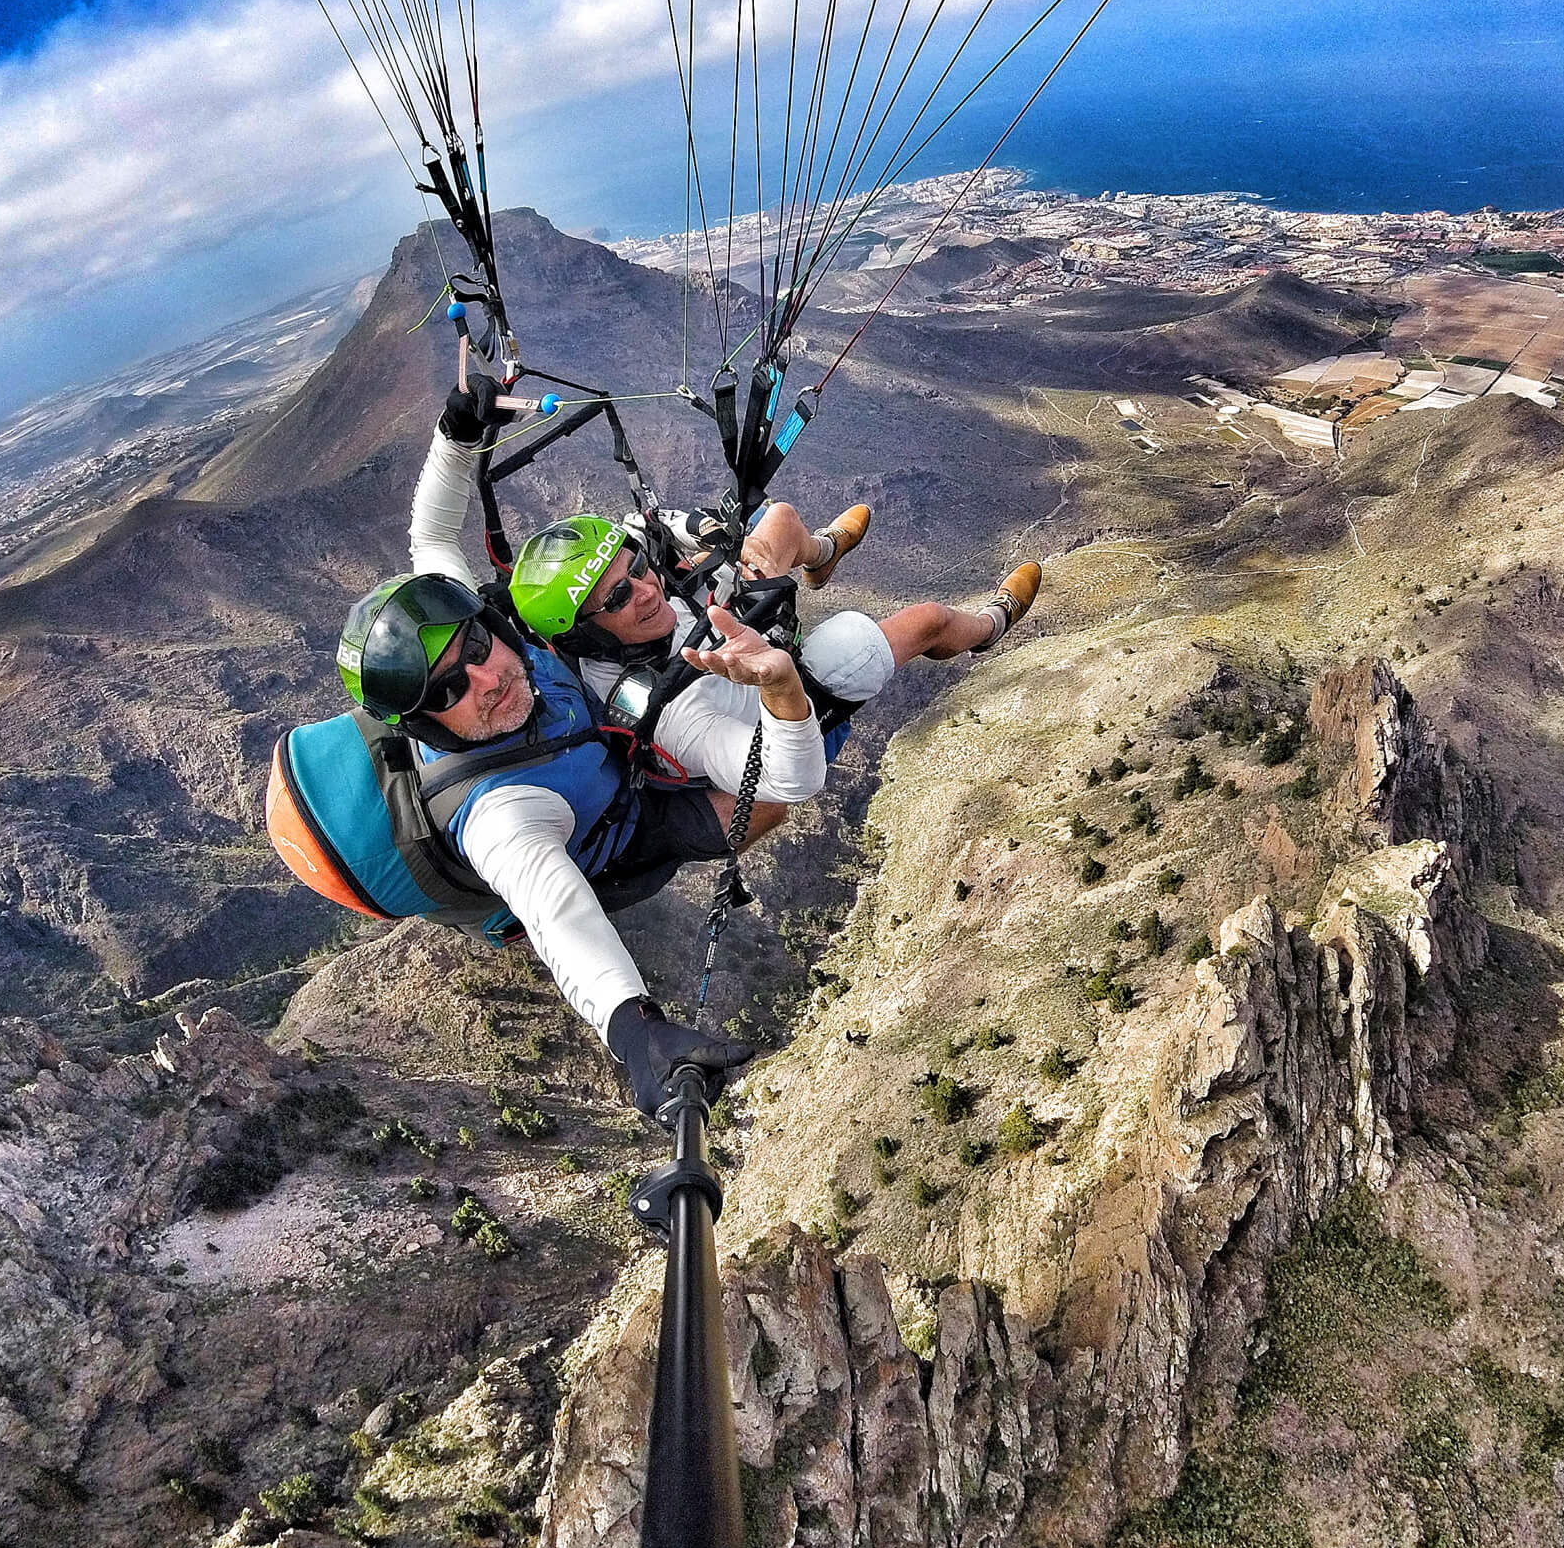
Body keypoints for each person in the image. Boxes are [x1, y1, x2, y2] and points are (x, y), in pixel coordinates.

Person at [335, 357, 1040, 1118]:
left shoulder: (511, 625)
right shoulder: (502, 813)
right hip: (662, 807)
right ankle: (988, 626)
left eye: (475, 649)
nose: (484, 677)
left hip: (701, 676)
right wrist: (633, 1030)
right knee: (918, 626)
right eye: (449, 690)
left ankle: (821, 554)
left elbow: (431, 531)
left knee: (778, 523)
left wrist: (459, 425)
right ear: (421, 720)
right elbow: (559, 914)